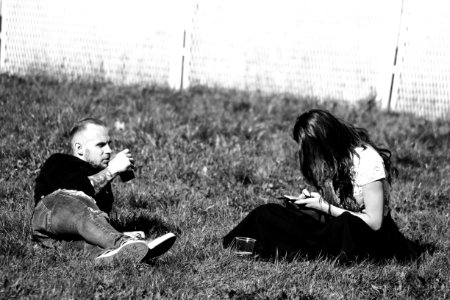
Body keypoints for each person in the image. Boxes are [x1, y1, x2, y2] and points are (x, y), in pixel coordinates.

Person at [223, 109, 425, 263]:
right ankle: (261, 244)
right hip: (336, 225)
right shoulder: (335, 159)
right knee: (267, 213)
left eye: (310, 149)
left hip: (367, 237)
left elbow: (374, 223)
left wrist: (325, 207)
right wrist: (311, 202)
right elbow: (339, 204)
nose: (309, 155)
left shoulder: (367, 160)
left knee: (342, 226)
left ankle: (278, 248)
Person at [31, 118, 176, 265]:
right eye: (101, 145)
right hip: (49, 214)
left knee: (90, 249)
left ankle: (115, 255)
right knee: (79, 202)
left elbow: (93, 220)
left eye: (109, 144)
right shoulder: (60, 161)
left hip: (52, 240)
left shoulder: (102, 182)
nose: (109, 150)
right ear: (80, 148)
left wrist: (115, 231)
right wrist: (112, 169)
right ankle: (121, 242)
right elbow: (77, 192)